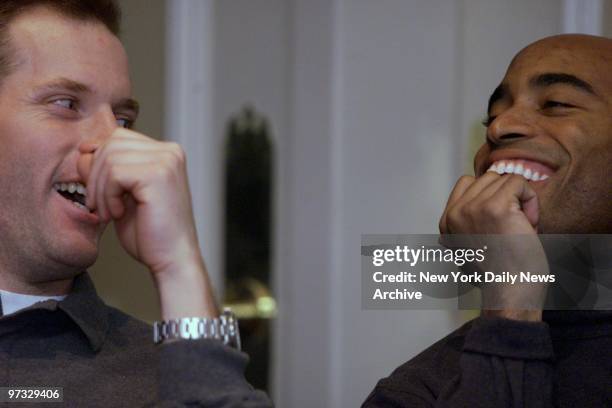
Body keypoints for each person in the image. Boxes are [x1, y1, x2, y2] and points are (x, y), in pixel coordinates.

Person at [0, 0, 272, 406]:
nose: (114, 142)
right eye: (67, 104)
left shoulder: (165, 378)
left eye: (123, 120)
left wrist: (179, 265)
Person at [363, 34, 612, 407]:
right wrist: (511, 301)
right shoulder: (420, 390)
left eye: (556, 104)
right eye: (491, 117)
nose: (499, 127)